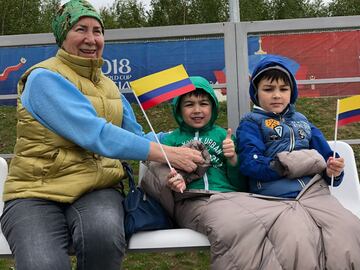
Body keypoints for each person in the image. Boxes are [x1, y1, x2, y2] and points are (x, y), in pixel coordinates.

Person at [0, 1, 203, 269]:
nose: (91, 39)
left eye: (97, 31)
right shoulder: (42, 78)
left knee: (104, 238)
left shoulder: (108, 86)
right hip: (35, 192)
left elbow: (138, 136)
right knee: (42, 262)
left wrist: (187, 140)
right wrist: (171, 155)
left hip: (97, 188)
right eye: (80, 29)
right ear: (63, 36)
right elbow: (96, 134)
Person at [233, 55, 360, 269]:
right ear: (256, 92)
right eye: (268, 89)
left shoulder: (304, 122)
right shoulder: (250, 123)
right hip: (275, 199)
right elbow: (250, 164)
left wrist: (334, 170)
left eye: (283, 89)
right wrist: (293, 163)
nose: (276, 95)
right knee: (298, 240)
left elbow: (328, 163)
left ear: (292, 92)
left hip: (315, 194)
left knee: (348, 230)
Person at [143, 76, 247, 267]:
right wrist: (171, 182)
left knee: (257, 224)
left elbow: (240, 184)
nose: (197, 110)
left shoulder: (223, 137)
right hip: (191, 201)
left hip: (229, 198)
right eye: (189, 104)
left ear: (213, 107)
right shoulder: (170, 142)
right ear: (179, 109)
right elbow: (157, 175)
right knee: (228, 228)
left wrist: (232, 159)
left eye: (204, 103)